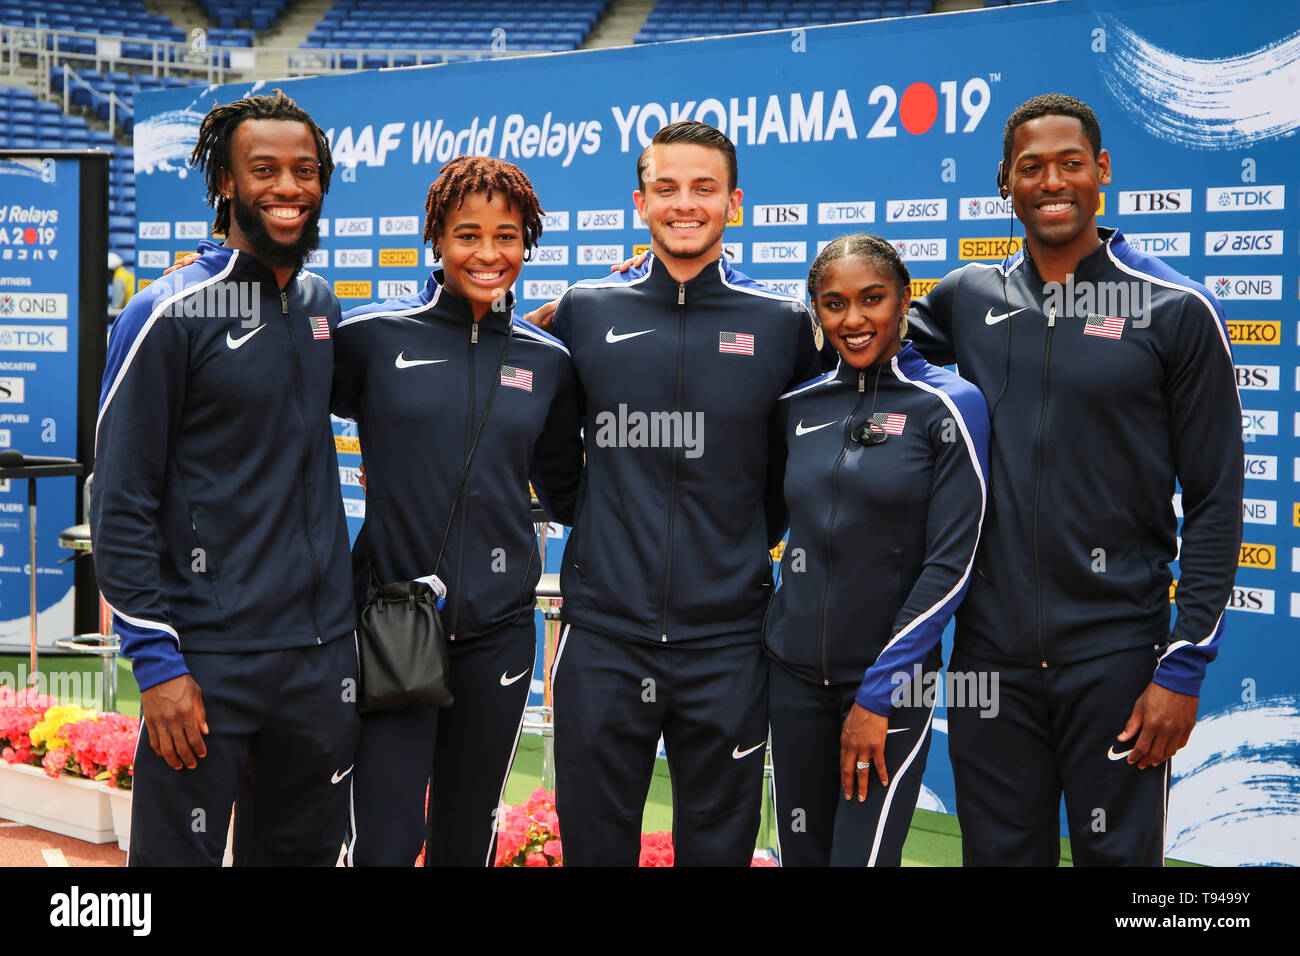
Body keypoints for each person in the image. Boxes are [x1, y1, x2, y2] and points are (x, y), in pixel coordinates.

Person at [907, 93, 1243, 865]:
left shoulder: (1175, 307)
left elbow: (1219, 500)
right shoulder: (969, 296)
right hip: (989, 661)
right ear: (1004, 183)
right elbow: (859, 343)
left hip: (1119, 660)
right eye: (1031, 167)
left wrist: (1183, 663)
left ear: (1102, 172)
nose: (1051, 180)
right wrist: (654, 289)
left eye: (1069, 163)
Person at [545, 120, 826, 866]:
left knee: (718, 852)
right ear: (641, 201)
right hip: (603, 637)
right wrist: (605, 531)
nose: (685, 204)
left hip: (729, 645)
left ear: (735, 202)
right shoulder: (586, 309)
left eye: (704, 188)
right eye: (666, 188)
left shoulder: (781, 323)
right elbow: (554, 452)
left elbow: (792, 470)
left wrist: (732, 547)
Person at [90, 91, 359, 866]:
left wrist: (519, 324)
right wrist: (158, 661)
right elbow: (121, 498)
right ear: (223, 184)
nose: (288, 187)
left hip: (318, 661)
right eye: (264, 169)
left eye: (304, 170)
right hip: (206, 662)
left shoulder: (316, 304)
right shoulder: (165, 313)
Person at [332, 156, 582, 866]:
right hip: (391, 623)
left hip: (499, 632)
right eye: (467, 234)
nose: (487, 253)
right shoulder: (373, 338)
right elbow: (274, 400)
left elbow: (569, 489)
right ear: (435, 238)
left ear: (526, 243)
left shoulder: (549, 361)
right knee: (383, 840)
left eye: (507, 236)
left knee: (466, 836)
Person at [764, 234, 989, 866]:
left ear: (904, 301)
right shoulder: (796, 406)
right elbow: (758, 523)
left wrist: (878, 694)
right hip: (792, 679)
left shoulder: (948, 404)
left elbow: (952, 565)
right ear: (816, 314)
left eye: (872, 299)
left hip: (887, 692)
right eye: (834, 304)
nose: (854, 319)